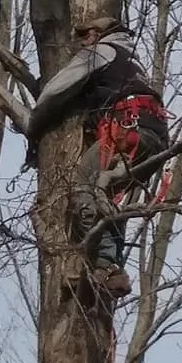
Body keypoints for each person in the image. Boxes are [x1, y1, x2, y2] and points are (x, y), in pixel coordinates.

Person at [25, 16, 169, 298]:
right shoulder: (131, 62)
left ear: (101, 34)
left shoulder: (103, 52)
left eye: (87, 34)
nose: (82, 41)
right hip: (154, 139)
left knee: (83, 188)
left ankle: (104, 267)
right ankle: (107, 268)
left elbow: (55, 90)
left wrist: (34, 129)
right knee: (104, 197)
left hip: (127, 131)